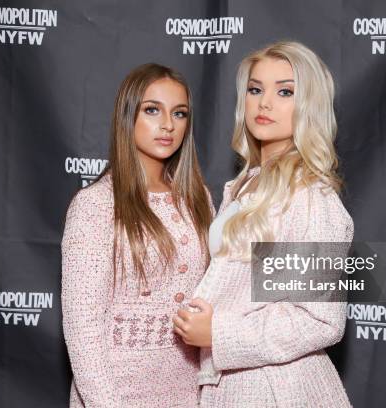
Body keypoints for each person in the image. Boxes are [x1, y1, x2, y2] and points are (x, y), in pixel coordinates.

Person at [172, 41, 354, 407]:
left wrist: (219, 332)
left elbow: (319, 320)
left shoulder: (309, 197)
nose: (264, 102)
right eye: (255, 89)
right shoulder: (247, 184)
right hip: (234, 387)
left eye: (285, 91)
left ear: (309, 105)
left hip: (281, 390)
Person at [61, 63, 214, 407]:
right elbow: (82, 330)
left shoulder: (198, 198)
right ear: (127, 116)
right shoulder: (96, 205)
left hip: (192, 393)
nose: (168, 125)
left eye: (180, 113)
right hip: (116, 394)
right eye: (152, 110)